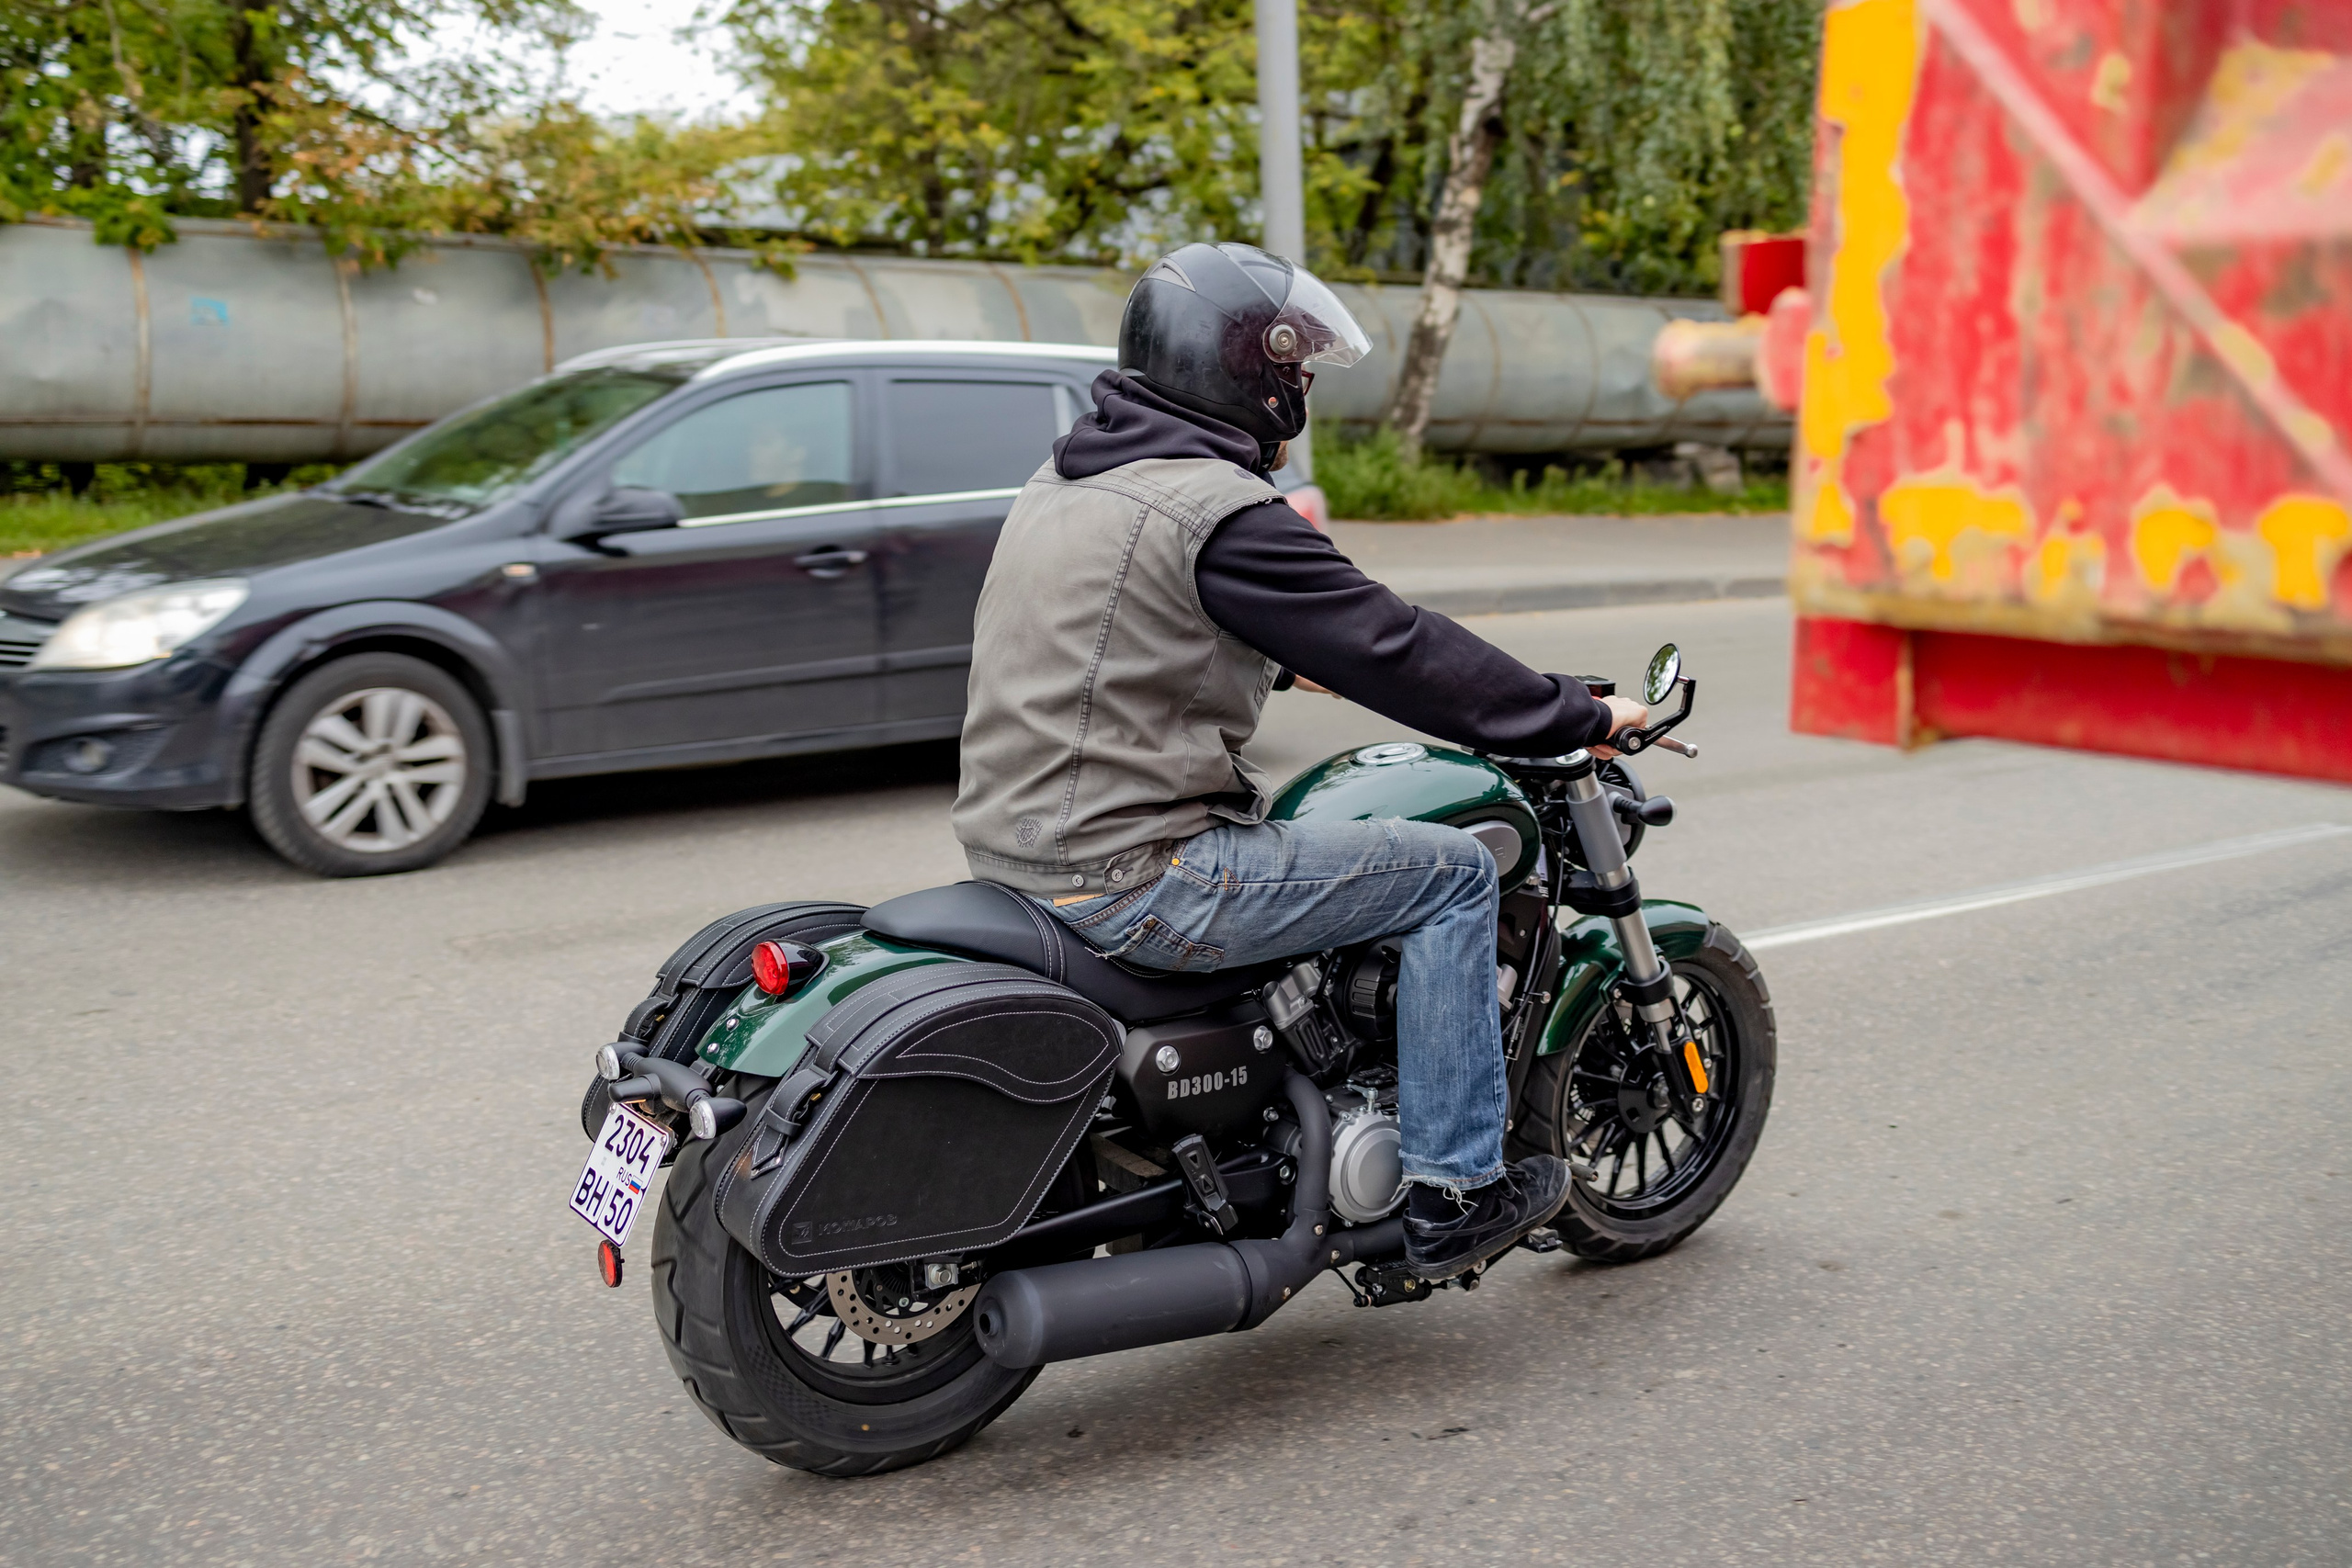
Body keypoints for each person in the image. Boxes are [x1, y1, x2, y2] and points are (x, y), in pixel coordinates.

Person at [952, 242, 1647, 1280]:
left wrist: (1280, 665)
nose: (1304, 385)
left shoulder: (1071, 481)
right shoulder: (1217, 509)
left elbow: (1111, 640)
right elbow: (1397, 648)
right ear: (1248, 369)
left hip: (1018, 854)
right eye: (1298, 365)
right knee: (1452, 873)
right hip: (1141, 874)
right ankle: (1456, 1189)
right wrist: (1569, 715)